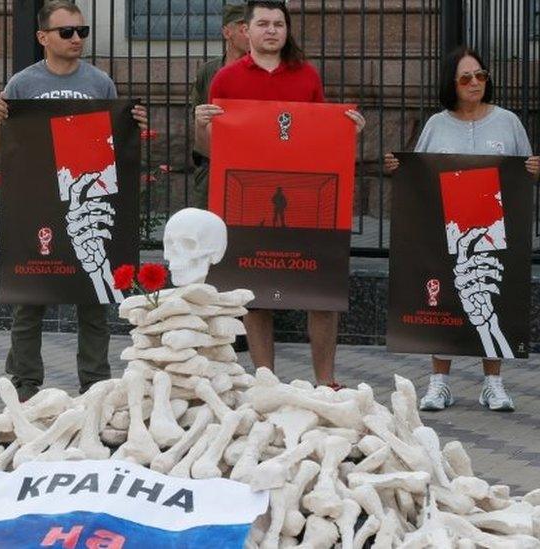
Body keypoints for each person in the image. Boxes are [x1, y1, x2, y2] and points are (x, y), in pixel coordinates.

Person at [194, 0, 366, 389]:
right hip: (247, 201)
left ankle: (327, 381)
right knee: (254, 296)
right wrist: (201, 126)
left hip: (304, 199)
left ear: (287, 31)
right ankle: (265, 380)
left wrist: (347, 135)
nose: (272, 30)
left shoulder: (306, 75)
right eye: (263, 24)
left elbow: (319, 136)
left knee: (320, 292)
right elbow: (210, 150)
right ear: (246, 31)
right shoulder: (225, 79)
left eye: (279, 24)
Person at [0, 0, 148, 401]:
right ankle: (24, 385)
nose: (77, 38)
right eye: (67, 32)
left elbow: (114, 150)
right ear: (43, 37)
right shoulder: (22, 84)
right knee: (30, 296)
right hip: (37, 199)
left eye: (82, 31)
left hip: (87, 192)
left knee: (94, 299)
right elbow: (2, 151)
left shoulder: (100, 83)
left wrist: (134, 130)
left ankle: (94, 384)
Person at [384, 47, 539, 412]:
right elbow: (419, 172)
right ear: (451, 84)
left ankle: (494, 383)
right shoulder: (437, 124)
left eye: (480, 75)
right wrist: (399, 168)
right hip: (445, 227)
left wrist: (534, 168)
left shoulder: (508, 122)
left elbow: (523, 176)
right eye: (466, 77)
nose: (475, 83)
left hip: (492, 226)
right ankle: (439, 383)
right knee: (441, 300)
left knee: (493, 298)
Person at [189, 2, 249, 197]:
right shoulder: (208, 71)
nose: (249, 32)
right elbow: (197, 120)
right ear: (226, 32)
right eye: (242, 27)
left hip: (251, 165)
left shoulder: (264, 71)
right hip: (212, 166)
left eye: (252, 26)